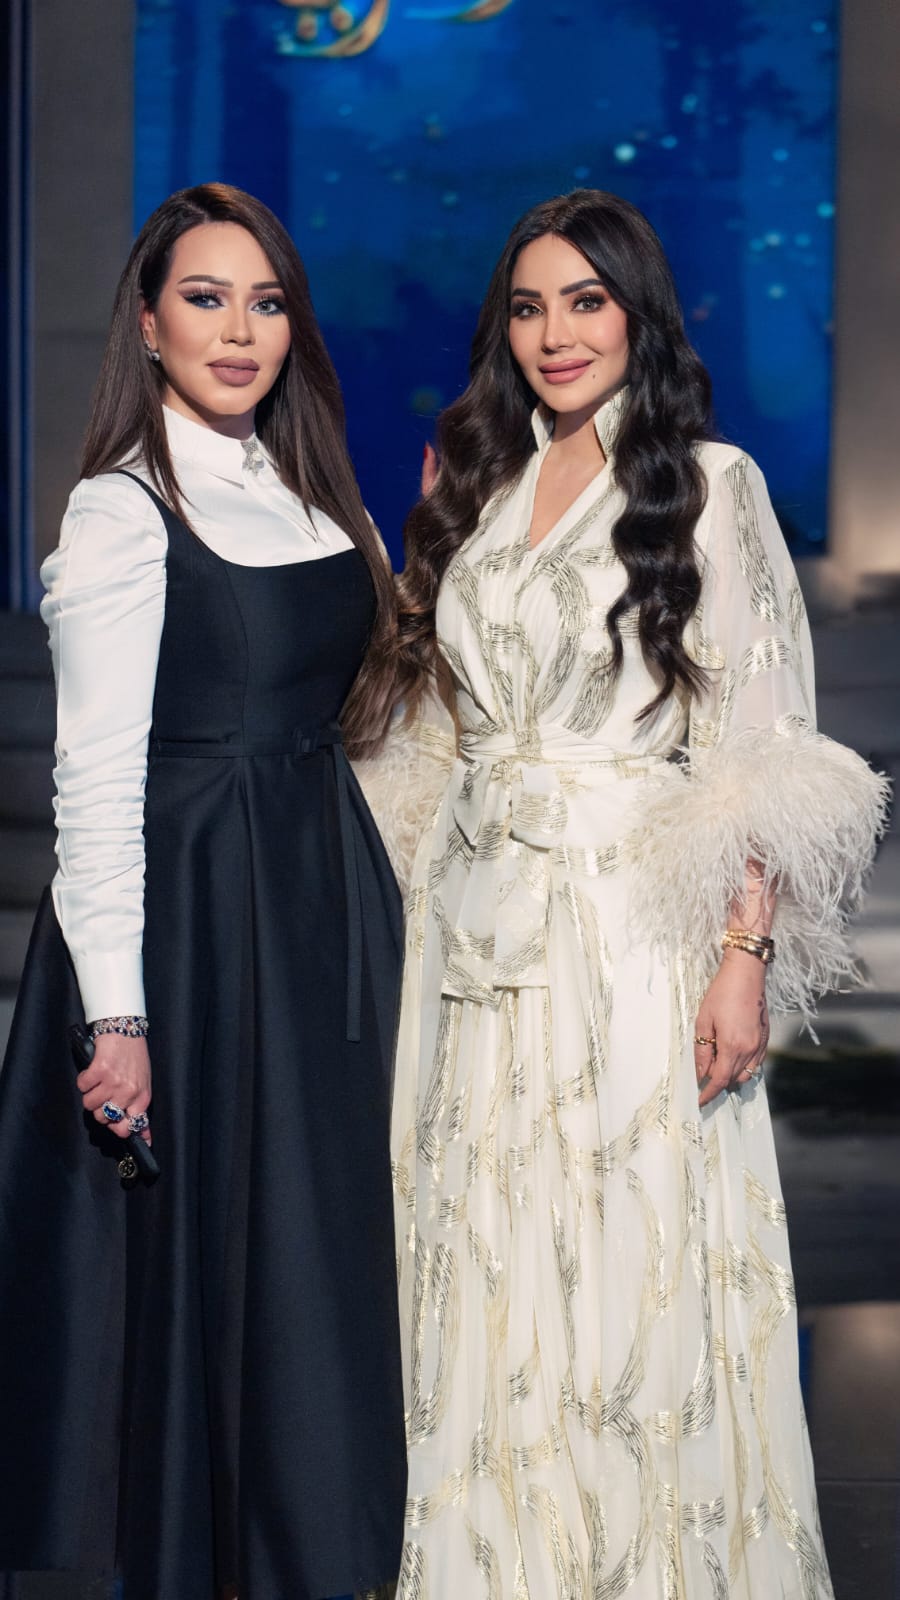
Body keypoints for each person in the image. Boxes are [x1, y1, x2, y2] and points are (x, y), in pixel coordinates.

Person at [387, 190, 888, 1598]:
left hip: (622, 928)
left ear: (637, 313)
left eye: (586, 301)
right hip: (469, 924)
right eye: (529, 306)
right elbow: (432, 717)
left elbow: (760, 744)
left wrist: (743, 953)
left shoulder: (708, 483)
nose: (556, 333)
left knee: (622, 1255)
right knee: (480, 1243)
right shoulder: (479, 483)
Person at [0, 183, 406, 1600]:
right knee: (209, 1264)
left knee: (313, 1247)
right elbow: (96, 781)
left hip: (314, 896)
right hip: (194, 919)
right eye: (206, 298)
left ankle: (315, 1548)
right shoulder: (121, 510)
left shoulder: (309, 490)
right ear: (148, 323)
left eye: (266, 301)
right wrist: (115, 1015)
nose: (239, 331)